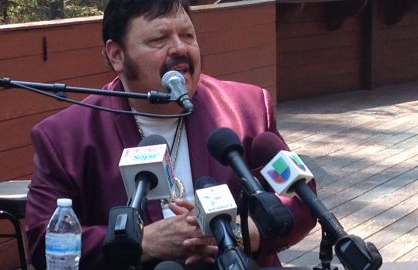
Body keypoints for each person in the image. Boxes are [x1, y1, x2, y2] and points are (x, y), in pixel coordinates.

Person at [25, 0, 317, 269]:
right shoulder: (65, 137)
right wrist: (142, 242)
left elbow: (302, 202)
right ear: (117, 55)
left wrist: (238, 235)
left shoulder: (246, 108)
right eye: (158, 39)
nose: (180, 49)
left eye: (188, 36)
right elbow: (43, 242)